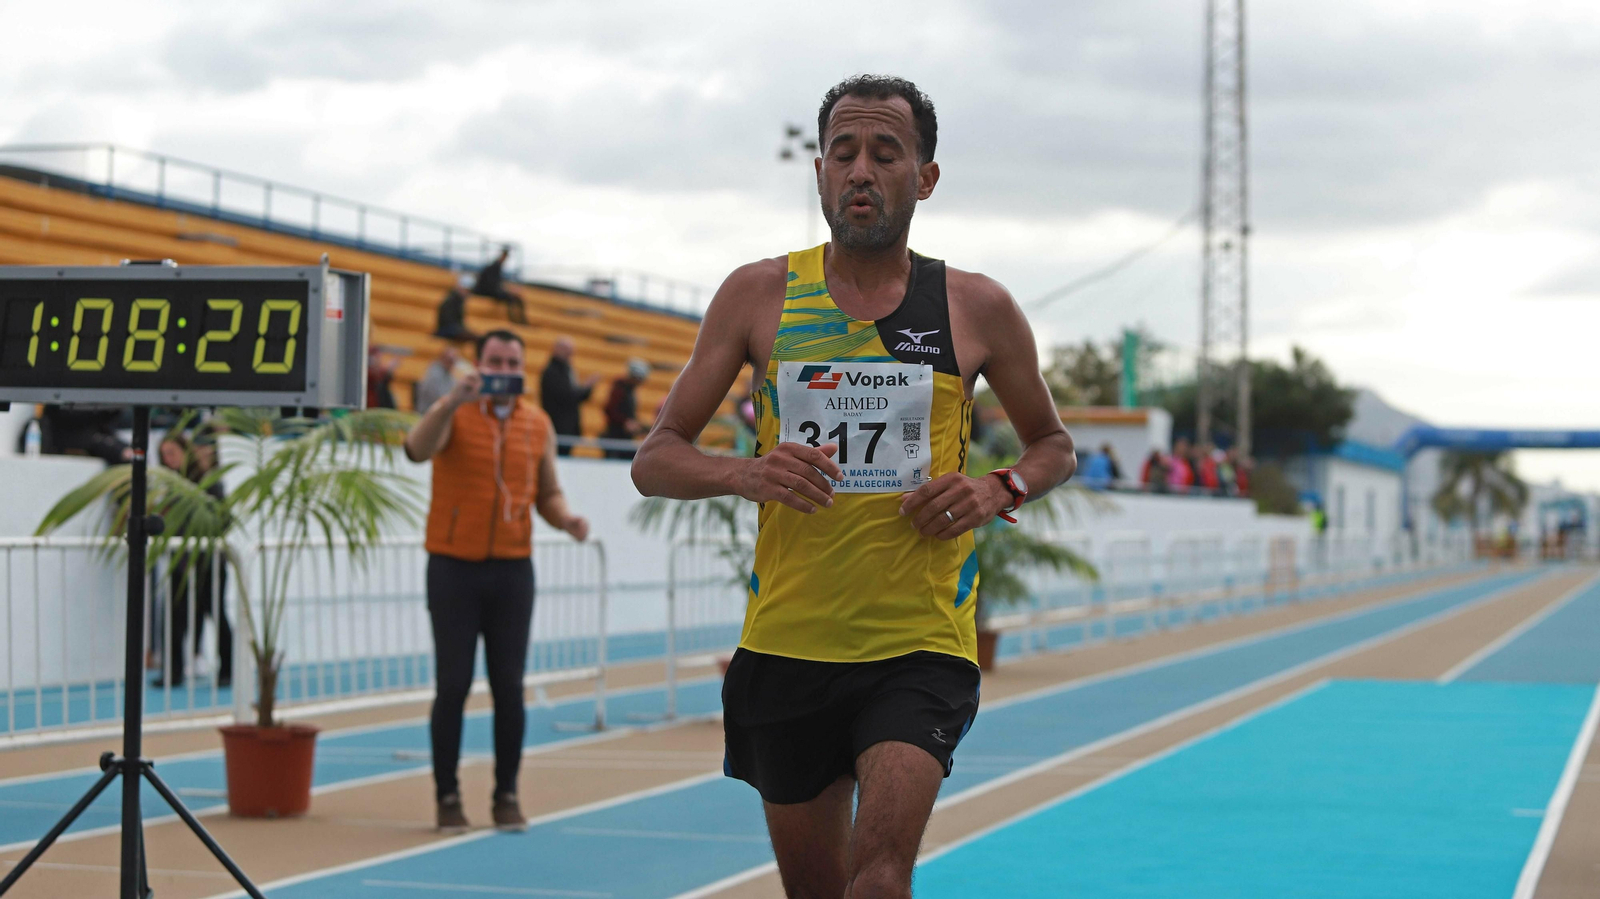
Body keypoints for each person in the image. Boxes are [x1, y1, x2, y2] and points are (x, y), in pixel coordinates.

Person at [631, 75, 1076, 899]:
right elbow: (654, 458)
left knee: (877, 880)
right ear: (821, 174)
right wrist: (746, 472)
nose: (860, 170)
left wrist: (998, 488)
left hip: (920, 642)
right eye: (843, 153)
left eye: (885, 152)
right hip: (787, 645)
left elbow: (1054, 445)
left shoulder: (975, 307)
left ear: (926, 176)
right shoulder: (759, 294)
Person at [403, 328, 591, 833]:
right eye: (494, 361)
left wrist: (566, 519)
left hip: (512, 570)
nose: (503, 371)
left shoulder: (537, 424)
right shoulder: (455, 411)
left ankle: (506, 794)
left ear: (522, 369)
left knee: (509, 687)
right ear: (478, 365)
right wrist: (450, 402)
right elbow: (416, 450)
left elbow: (546, 492)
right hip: (452, 568)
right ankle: (447, 796)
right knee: (453, 685)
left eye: (511, 363)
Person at [154, 432, 232, 688]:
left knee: (215, 613)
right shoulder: (166, 485)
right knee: (172, 616)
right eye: (164, 455)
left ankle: (227, 669)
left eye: (172, 453)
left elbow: (222, 519)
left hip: (208, 560)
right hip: (180, 558)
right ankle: (172, 671)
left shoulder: (208, 482)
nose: (169, 459)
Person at [540, 337, 600, 456]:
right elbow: (566, 396)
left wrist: (586, 389)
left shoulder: (566, 370)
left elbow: (574, 397)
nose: (570, 354)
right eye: (567, 350)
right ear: (556, 349)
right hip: (558, 427)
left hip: (566, 428)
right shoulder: (552, 372)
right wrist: (586, 387)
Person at [601, 358, 649, 460]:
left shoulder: (629, 391)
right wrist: (625, 422)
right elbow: (609, 410)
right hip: (615, 437)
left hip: (622, 437)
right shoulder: (620, 389)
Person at [471, 246, 528, 325]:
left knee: (514, 298)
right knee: (511, 298)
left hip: (489, 290)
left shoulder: (496, 267)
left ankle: (520, 321)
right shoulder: (495, 267)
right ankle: (515, 321)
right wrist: (507, 291)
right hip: (486, 291)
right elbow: (491, 285)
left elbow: (495, 284)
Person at [415, 345, 465, 413]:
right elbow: (439, 399)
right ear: (442, 358)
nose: (452, 363)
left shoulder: (449, 374)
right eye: (450, 360)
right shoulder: (434, 374)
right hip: (428, 413)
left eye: (454, 360)